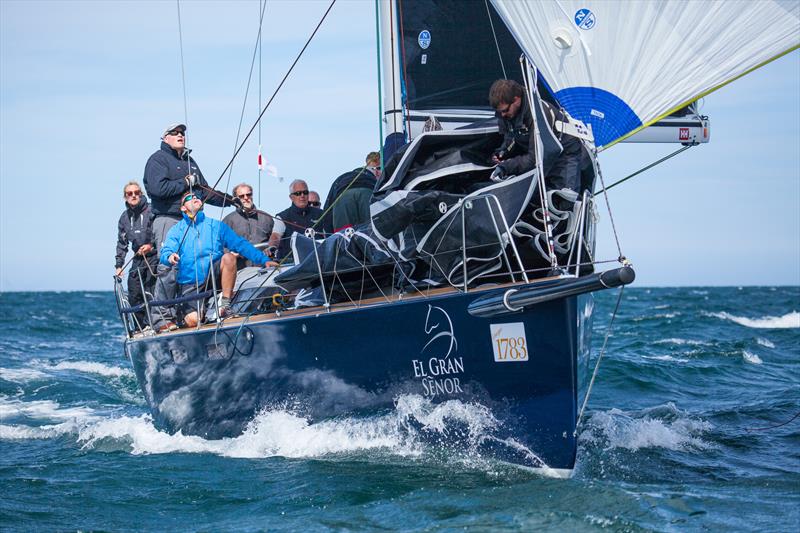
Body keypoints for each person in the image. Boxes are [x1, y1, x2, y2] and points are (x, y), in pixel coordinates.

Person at [142, 123, 237, 331]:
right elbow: (157, 189)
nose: (180, 136)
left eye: (182, 133)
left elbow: (203, 190)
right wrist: (185, 182)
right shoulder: (157, 159)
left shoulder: (189, 161)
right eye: (174, 133)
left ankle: (189, 312)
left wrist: (230, 200)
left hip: (192, 220)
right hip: (168, 219)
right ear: (165, 138)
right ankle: (160, 318)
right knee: (169, 266)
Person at [160, 192, 276, 328]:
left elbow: (240, 244)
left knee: (229, 258)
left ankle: (225, 305)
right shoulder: (176, 230)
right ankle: (187, 315)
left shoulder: (216, 225)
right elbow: (165, 251)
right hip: (191, 282)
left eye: (197, 196)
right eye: (190, 198)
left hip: (214, 275)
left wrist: (263, 259)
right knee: (193, 321)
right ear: (183, 208)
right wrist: (169, 256)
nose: (196, 198)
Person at [488, 79, 585, 192]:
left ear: (516, 100)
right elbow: (509, 138)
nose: (502, 115)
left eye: (505, 110)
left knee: (564, 200)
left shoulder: (539, 114)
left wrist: (506, 166)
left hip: (564, 155)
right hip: (537, 154)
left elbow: (535, 158)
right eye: (500, 112)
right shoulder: (506, 114)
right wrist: (501, 154)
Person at [115, 181, 158, 329]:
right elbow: (122, 243)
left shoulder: (152, 210)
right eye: (129, 194)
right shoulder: (124, 218)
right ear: (125, 197)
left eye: (136, 193)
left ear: (141, 194)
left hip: (154, 256)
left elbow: (160, 232)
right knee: (134, 294)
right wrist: (119, 266)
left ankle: (152, 324)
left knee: (150, 291)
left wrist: (151, 245)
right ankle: (141, 327)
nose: (133, 196)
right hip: (137, 258)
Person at [323, 152, 381, 232]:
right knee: (370, 233)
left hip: (342, 196)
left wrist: (327, 233)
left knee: (343, 237)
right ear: (377, 171)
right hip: (367, 193)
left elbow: (328, 206)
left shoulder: (343, 177)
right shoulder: (378, 182)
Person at [269, 179, 324, 261]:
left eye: (305, 192)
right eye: (298, 193)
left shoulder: (321, 214)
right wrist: (272, 247)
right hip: (293, 265)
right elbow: (276, 235)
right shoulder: (283, 217)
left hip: (320, 262)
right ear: (291, 197)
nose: (302, 196)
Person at [223, 182, 274, 268]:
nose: (246, 198)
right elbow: (220, 247)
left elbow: (275, 243)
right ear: (235, 199)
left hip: (265, 269)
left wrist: (270, 249)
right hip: (240, 272)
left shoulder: (267, 218)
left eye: (248, 195)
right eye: (242, 196)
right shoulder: (228, 220)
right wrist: (231, 254)